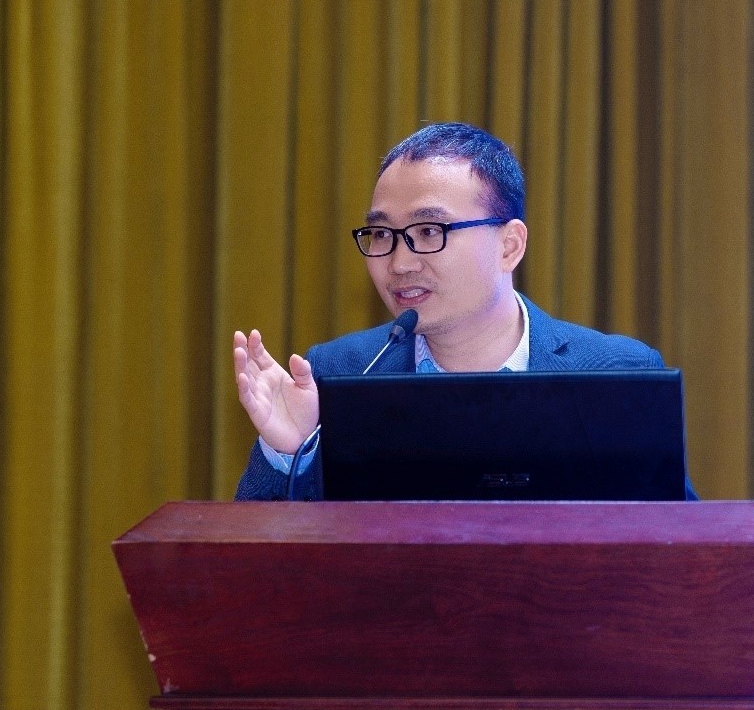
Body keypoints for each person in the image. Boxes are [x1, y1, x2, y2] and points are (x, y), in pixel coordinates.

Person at [232, 122, 690, 501]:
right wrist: (288, 455)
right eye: (382, 235)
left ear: (509, 246)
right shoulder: (339, 376)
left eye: (429, 231)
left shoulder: (617, 375)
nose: (400, 263)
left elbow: (686, 556)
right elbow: (256, 566)